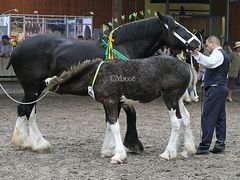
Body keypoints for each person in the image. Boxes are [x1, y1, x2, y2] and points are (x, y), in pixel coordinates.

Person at [191, 35, 230, 155]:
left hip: (215, 89)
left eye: (207, 45)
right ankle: (220, 144)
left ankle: (204, 146)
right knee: (220, 117)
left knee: (208, 116)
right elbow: (218, 70)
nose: (207, 48)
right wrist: (206, 80)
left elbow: (210, 63)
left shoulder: (217, 54)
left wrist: (196, 54)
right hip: (220, 87)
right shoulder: (223, 54)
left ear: (213, 43)